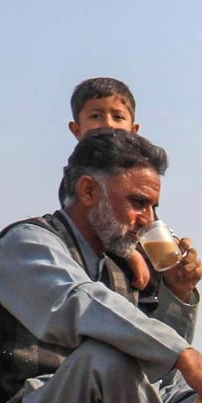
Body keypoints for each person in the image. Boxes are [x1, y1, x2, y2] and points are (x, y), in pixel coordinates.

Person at [0, 129, 202, 403]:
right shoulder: (24, 245)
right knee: (104, 359)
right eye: (138, 203)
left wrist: (177, 294)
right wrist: (185, 355)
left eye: (153, 207)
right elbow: (80, 302)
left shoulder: (112, 267)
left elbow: (155, 370)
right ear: (89, 190)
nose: (148, 220)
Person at [62, 77, 152, 292]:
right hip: (98, 275)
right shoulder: (80, 170)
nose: (108, 124)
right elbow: (84, 221)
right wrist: (130, 254)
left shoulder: (140, 175)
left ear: (133, 130)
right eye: (95, 116)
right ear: (76, 129)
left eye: (118, 117)